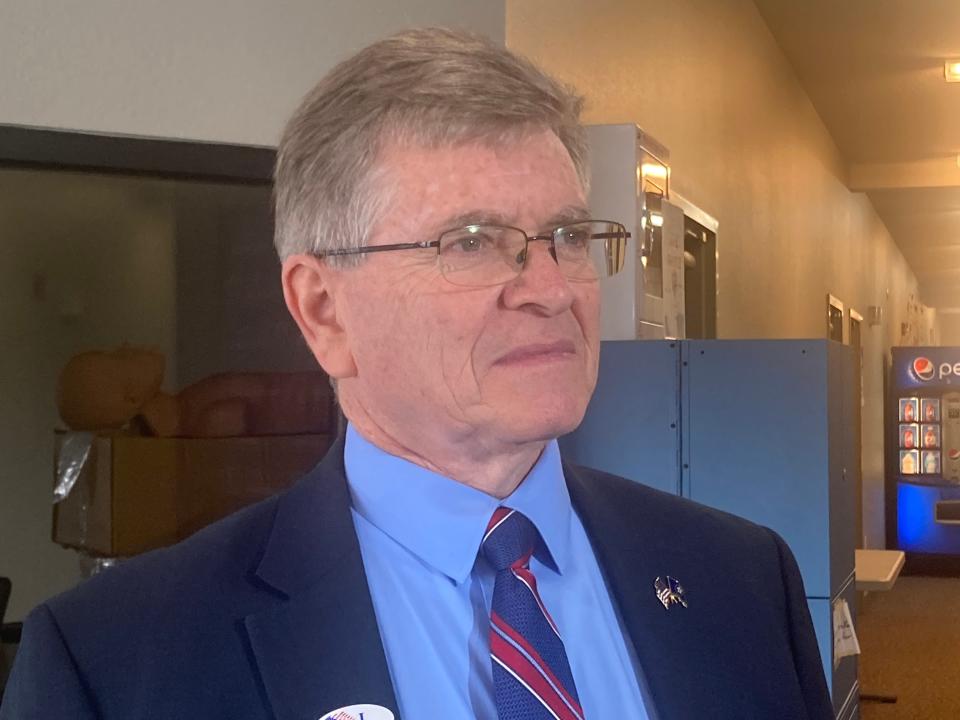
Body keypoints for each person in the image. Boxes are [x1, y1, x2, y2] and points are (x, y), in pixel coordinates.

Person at [1, 28, 832, 720]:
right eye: (470, 241)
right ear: (324, 309)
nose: (551, 289)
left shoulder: (742, 577)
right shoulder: (114, 664)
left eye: (569, 236)